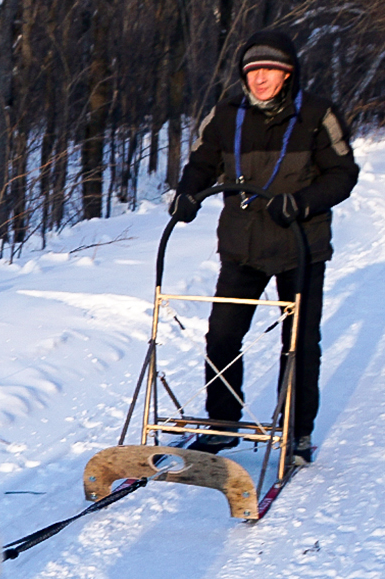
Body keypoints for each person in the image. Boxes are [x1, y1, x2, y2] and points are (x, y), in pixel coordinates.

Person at [169, 29, 359, 463]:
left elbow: (343, 174)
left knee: (300, 343)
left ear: (288, 73)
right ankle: (222, 425)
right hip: (242, 245)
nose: (260, 79)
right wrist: (187, 194)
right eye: (253, 71)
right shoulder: (226, 114)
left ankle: (297, 434)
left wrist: (301, 203)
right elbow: (201, 162)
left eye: (270, 70)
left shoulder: (317, 113)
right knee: (221, 336)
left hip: (300, 245)